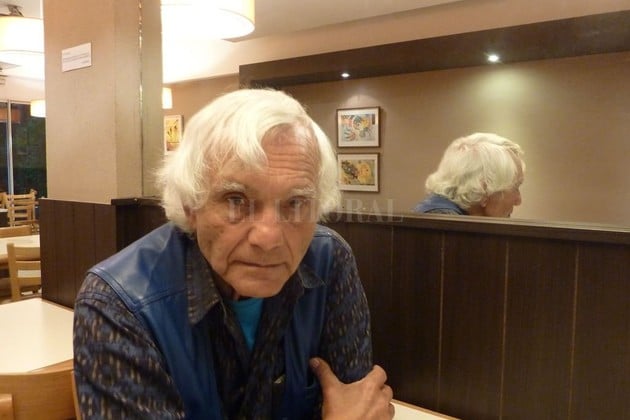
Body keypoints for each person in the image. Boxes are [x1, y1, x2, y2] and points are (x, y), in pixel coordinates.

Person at [73, 88, 394, 419]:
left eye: (296, 203)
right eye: (236, 200)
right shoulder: (118, 303)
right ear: (191, 204)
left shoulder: (329, 261)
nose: (268, 238)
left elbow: (359, 404)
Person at [412, 132, 525, 217]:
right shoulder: (447, 229)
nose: (518, 201)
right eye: (515, 187)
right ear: (484, 190)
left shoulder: (438, 220)